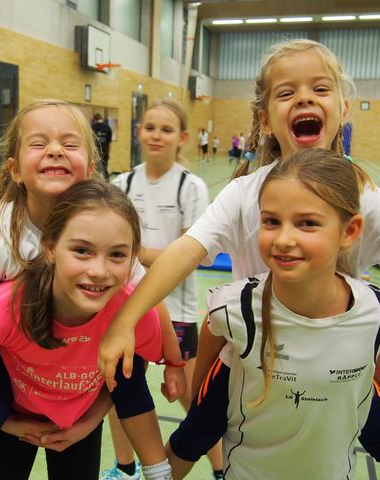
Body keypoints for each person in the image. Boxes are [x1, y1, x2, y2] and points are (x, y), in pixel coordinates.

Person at [97, 38, 380, 473]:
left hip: (337, 371)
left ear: (343, 108)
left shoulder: (365, 197)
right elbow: (185, 252)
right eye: (287, 92)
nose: (305, 98)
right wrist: (124, 321)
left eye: (320, 88)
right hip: (252, 367)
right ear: (265, 119)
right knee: (195, 437)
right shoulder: (243, 194)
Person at [0, 99, 184, 479]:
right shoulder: (1, 235)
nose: (54, 150)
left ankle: (155, 469)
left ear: (91, 169)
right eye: (39, 143)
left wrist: (174, 362)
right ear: (15, 169)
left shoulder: (103, 225)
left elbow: (146, 296)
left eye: (69, 143)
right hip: (14, 369)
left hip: (79, 377)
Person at [167, 149, 380, 480]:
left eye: (307, 223)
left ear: (350, 231)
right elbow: (195, 430)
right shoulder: (235, 309)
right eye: (271, 221)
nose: (284, 239)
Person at [105, 99, 223, 480]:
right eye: (150, 127)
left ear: (182, 138)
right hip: (127, 311)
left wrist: (130, 254)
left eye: (167, 129)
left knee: (195, 402)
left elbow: (190, 255)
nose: (157, 136)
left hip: (177, 313)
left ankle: (222, 469)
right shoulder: (121, 184)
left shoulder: (190, 187)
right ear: (139, 132)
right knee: (118, 395)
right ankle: (125, 469)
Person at [92, 113, 113, 177]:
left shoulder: (93, 127)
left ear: (95, 119)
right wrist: (109, 153)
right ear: (102, 118)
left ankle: (96, 182)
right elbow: (109, 142)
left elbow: (90, 141)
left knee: (96, 170)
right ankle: (106, 181)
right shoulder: (108, 128)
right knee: (104, 168)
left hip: (95, 152)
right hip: (105, 151)